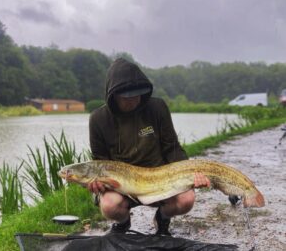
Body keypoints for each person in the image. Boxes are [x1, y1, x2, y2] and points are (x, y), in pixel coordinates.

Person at [88, 58, 210, 236]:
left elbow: (172, 148)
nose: (133, 100)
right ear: (113, 95)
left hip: (160, 179)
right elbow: (100, 162)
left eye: (137, 95)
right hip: (122, 186)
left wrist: (190, 173)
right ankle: (123, 222)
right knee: (109, 206)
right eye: (127, 97)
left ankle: (162, 217)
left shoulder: (157, 107)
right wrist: (98, 184)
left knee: (186, 200)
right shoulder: (98, 119)